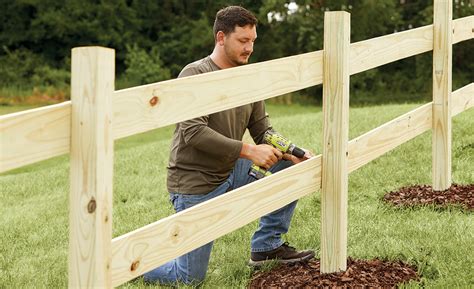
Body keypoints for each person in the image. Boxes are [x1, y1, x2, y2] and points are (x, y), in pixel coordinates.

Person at [143, 5, 315, 285]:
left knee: (288, 167)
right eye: (243, 41)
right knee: (189, 279)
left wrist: (295, 152)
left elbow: (263, 131)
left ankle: (266, 248)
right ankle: (131, 265)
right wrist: (248, 151)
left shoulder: (249, 78)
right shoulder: (195, 74)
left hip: (230, 171)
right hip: (195, 184)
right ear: (221, 38)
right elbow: (193, 132)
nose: (250, 48)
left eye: (253, 41)